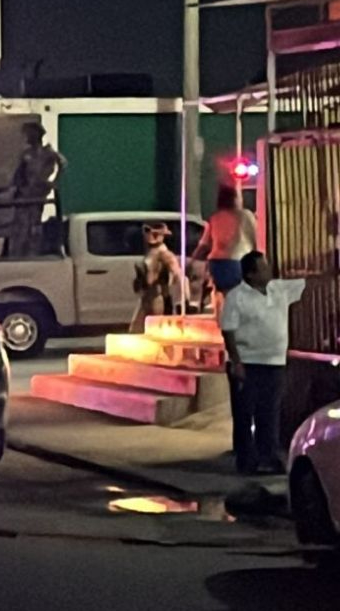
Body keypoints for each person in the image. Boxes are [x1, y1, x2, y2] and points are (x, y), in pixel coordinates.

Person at [220, 251, 306, 475]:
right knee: (245, 412)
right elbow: (228, 330)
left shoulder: (278, 289)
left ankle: (269, 457)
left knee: (270, 412)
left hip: (274, 362)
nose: (269, 270)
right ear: (250, 274)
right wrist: (236, 362)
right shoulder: (236, 297)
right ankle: (247, 460)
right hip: (248, 362)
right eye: (263, 267)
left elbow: (309, 282)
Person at [195, 184, 257, 317]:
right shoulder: (246, 216)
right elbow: (255, 239)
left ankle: (222, 320)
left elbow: (204, 245)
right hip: (238, 262)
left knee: (222, 293)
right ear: (236, 199)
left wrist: (192, 261)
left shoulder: (215, 218)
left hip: (216, 262)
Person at [9, 122, 68, 257]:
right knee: (21, 222)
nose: (27, 137)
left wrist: (52, 182)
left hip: (38, 193)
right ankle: (18, 251)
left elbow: (62, 163)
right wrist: (16, 187)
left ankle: (32, 251)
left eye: (30, 134)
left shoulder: (48, 153)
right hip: (25, 193)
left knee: (34, 222)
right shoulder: (26, 154)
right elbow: (19, 173)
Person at [129, 223, 185, 334]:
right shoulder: (151, 252)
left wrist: (181, 298)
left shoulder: (164, 253)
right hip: (146, 295)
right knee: (136, 329)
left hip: (158, 296)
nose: (151, 237)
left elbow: (177, 273)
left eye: (156, 234)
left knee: (157, 328)